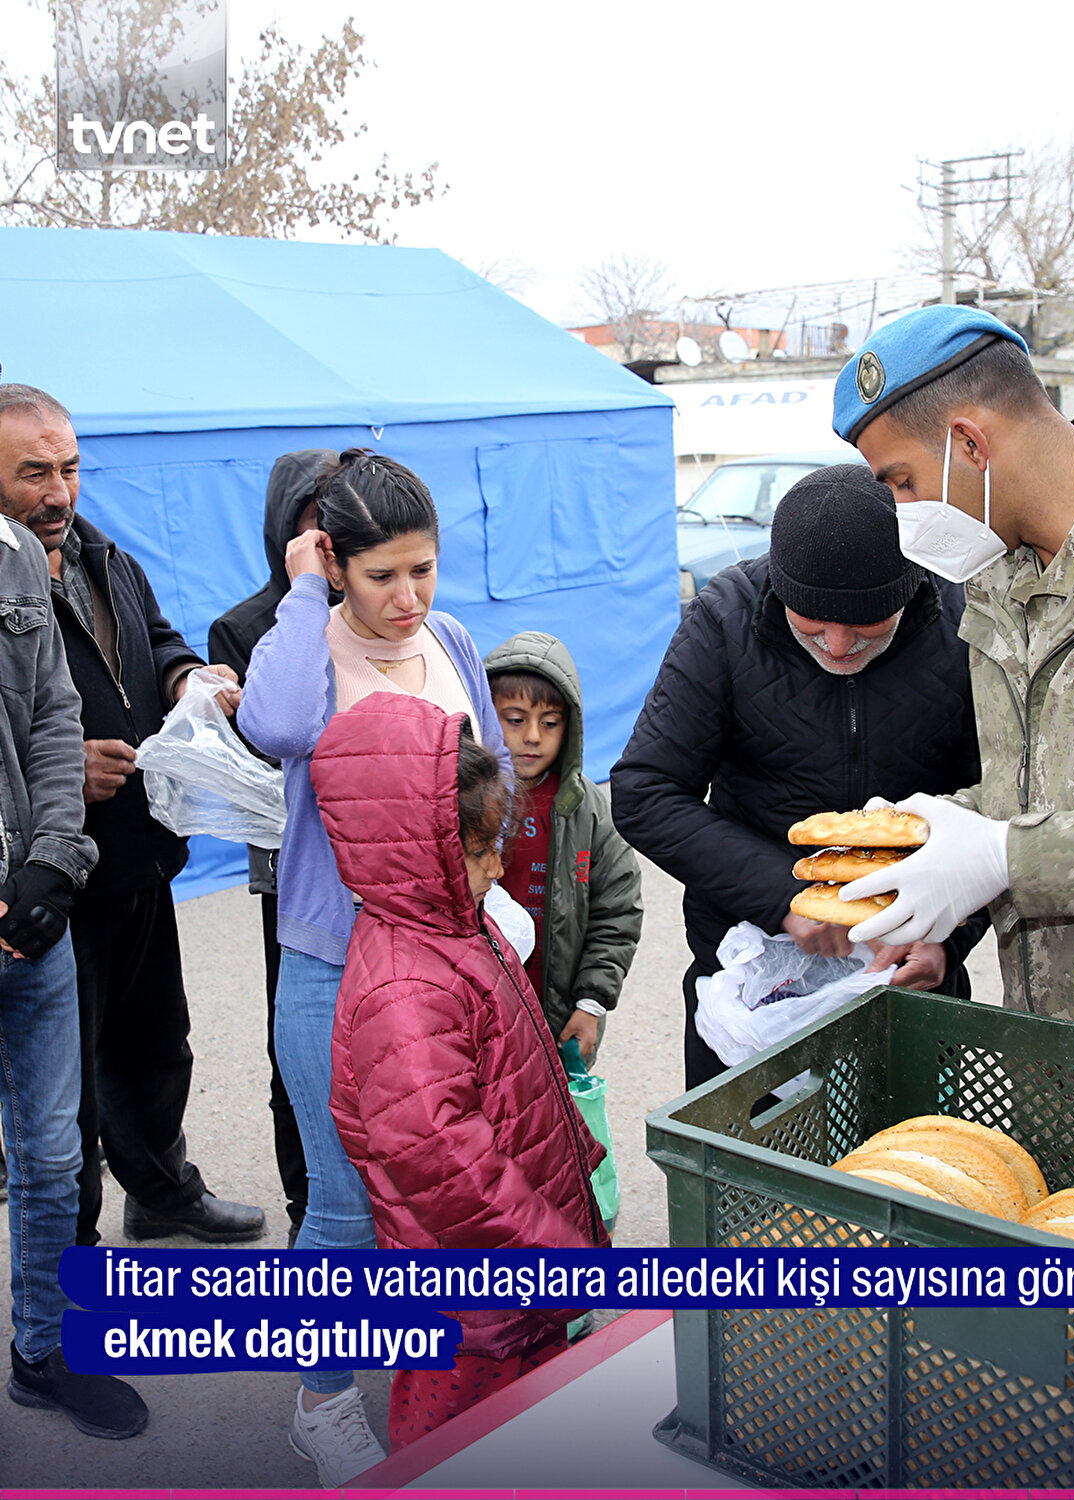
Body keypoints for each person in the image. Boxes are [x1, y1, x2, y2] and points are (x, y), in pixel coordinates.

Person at [237, 448, 509, 1487]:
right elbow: (275, 726)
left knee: (441, 1190)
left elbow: (483, 785)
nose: (407, 598)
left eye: (423, 570)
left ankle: (431, 1375)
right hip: (333, 965)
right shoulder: (304, 651)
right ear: (332, 561)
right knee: (347, 1205)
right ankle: (320, 1404)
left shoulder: (452, 640)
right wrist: (306, 596)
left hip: (448, 962)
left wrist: (501, 911)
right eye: (381, 574)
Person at [828, 303, 1074, 1042]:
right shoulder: (1002, 575)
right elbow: (1051, 790)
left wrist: (1005, 855)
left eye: (901, 481)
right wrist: (944, 834)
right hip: (1061, 1048)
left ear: (970, 442)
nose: (901, 512)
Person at [610, 465, 986, 1089]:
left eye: (867, 628)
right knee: (753, 1165)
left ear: (910, 589)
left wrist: (952, 935)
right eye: (811, 625)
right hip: (754, 963)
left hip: (911, 961)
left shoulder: (960, 624)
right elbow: (646, 792)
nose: (838, 647)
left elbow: (1003, 803)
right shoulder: (726, 620)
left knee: (909, 1164)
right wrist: (784, 895)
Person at [0, 383, 264, 1248]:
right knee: (60, 1091)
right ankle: (65, 1264)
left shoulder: (101, 555)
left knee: (156, 1047)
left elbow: (153, 638)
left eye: (70, 469)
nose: (58, 493)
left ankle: (159, 1191)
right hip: (49, 878)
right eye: (32, 473)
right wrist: (59, 774)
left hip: (141, 856)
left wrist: (190, 677)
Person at [310, 694, 608, 1452]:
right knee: (460, 1443)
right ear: (411, 849)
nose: (496, 865)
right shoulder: (404, 989)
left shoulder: (454, 927)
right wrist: (558, 1254)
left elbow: (518, 1075)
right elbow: (449, 1165)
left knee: (535, 1426)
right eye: (478, 851)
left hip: (514, 1264)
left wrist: (575, 1157)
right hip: (475, 1293)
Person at [0, 497, 146, 1438]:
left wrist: (56, 855)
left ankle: (41, 1348)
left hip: (31, 915)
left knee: (52, 1156)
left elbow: (54, 713)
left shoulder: (12, 553)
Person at [209, 448, 336, 1246]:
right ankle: (306, 1211)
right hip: (290, 872)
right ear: (283, 528)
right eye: (314, 521)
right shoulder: (248, 623)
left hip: (377, 867)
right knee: (296, 1049)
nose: (330, 538)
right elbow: (257, 752)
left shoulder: (382, 604)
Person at [484, 631, 642, 1066]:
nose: (533, 736)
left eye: (549, 723)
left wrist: (591, 1004)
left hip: (557, 1019)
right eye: (514, 720)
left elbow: (618, 911)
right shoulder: (464, 800)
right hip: (478, 1016)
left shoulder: (585, 809)